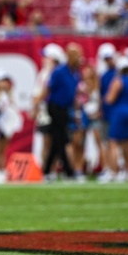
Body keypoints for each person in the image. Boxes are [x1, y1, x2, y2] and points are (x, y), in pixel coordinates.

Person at [42, 43, 83, 181]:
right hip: (55, 106)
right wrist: (38, 104)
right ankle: (68, 171)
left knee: (57, 139)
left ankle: (47, 170)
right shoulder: (59, 71)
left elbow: (74, 93)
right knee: (62, 138)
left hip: (66, 108)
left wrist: (76, 111)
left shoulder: (75, 73)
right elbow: (48, 88)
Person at [32, 43, 64, 169]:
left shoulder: (58, 74)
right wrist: (35, 106)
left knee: (57, 141)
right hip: (45, 112)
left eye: (46, 57)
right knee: (46, 141)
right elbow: (36, 93)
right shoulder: (43, 73)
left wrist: (36, 103)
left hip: (56, 110)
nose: (43, 59)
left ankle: (53, 168)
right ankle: (48, 169)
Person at [96, 43, 119, 182]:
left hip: (112, 113)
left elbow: (106, 97)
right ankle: (112, 169)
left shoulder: (113, 75)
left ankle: (112, 170)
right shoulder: (108, 75)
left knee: (111, 143)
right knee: (109, 143)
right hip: (110, 113)